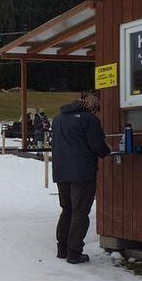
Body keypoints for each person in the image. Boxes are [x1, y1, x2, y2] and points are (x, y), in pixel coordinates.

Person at [51, 94, 111, 264]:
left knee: (67, 209)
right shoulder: (89, 119)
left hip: (61, 171)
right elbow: (98, 146)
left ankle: (62, 249)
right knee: (80, 212)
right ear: (91, 107)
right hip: (82, 173)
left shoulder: (58, 119)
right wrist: (107, 151)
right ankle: (74, 252)